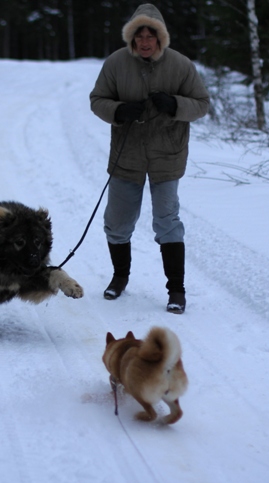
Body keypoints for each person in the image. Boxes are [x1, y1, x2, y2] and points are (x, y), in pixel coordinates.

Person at [89, 3, 210, 314]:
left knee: (168, 223)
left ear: (160, 38)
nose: (144, 42)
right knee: (117, 223)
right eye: (139, 36)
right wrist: (118, 111)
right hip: (126, 155)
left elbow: (201, 103)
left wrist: (174, 105)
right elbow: (97, 99)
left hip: (166, 155)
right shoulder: (116, 63)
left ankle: (177, 291)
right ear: (132, 38)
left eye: (150, 36)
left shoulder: (180, 65)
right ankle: (119, 277)